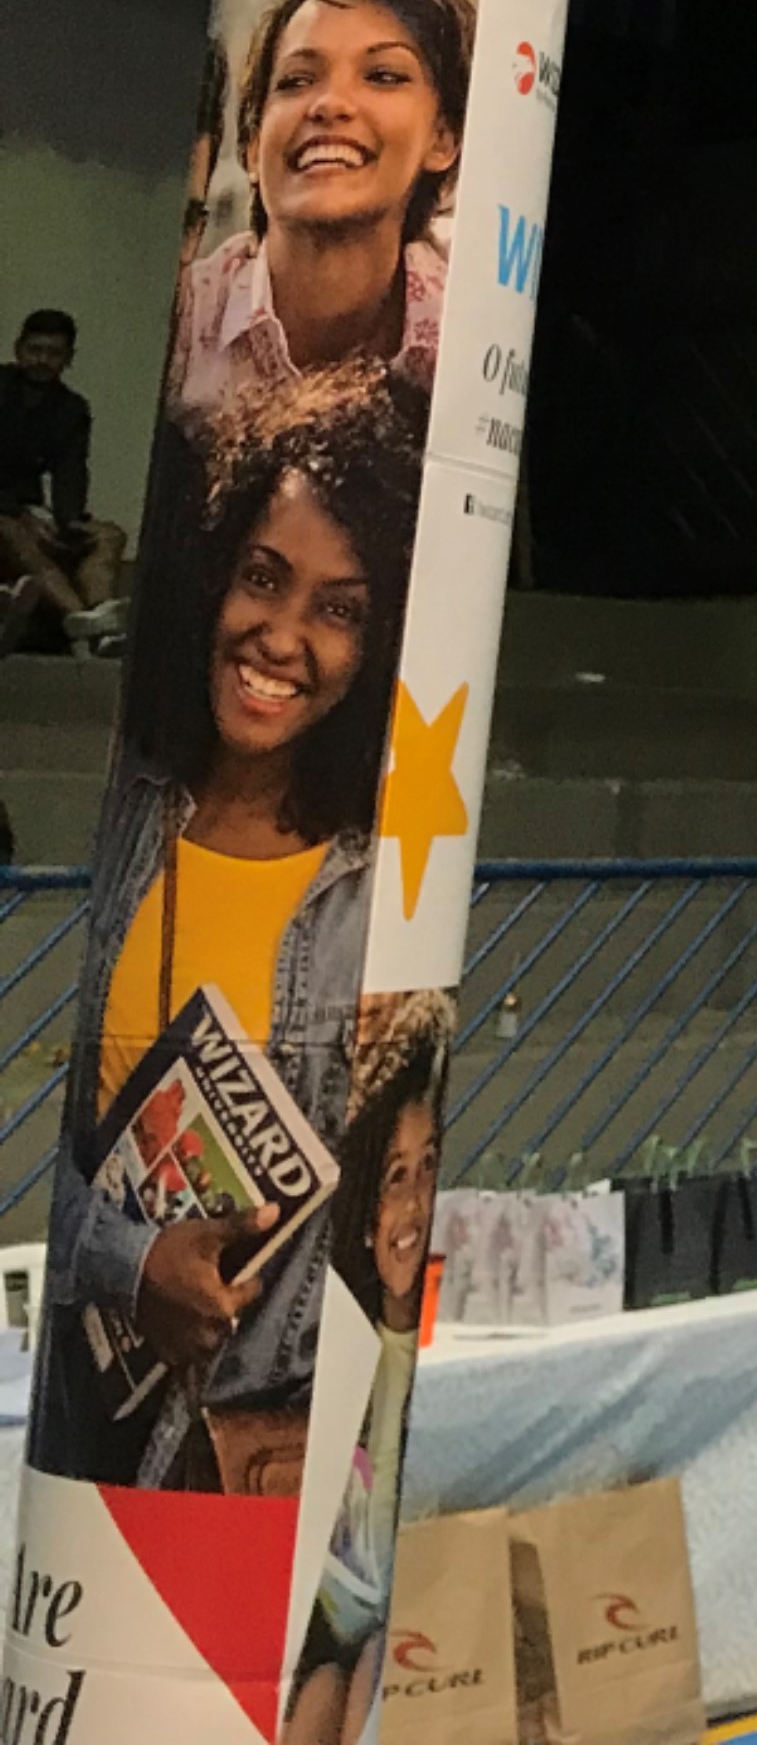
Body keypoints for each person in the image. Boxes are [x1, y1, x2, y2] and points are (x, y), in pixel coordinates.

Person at [38, 358, 422, 1496]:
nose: (282, 638)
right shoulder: (135, 816)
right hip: (88, 1459)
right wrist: (133, 1259)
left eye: (339, 608)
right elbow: (67, 1172)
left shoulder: (379, 887)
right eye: (263, 577)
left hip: (257, 1488)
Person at [173, 0, 472, 420]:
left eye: (383, 76)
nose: (330, 104)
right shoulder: (182, 325)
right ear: (252, 146)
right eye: (296, 81)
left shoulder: (473, 325)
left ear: (444, 138)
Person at [283, 995, 454, 1745]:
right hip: (326, 1616)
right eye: (394, 1177)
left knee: (371, 1683)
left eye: (427, 1168)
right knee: (325, 1693)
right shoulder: (323, 1334)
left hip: (397, 1608)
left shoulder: (429, 1334)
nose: (415, 1202)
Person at [0, 308, 124, 649]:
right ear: (18, 349)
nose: (42, 360)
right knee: (13, 532)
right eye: (35, 350)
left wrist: (68, 521)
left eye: (53, 353)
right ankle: (81, 618)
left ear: (68, 359)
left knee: (108, 535)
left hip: (29, 509)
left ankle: (101, 614)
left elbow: (71, 470)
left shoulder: (71, 408)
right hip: (9, 513)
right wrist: (19, 512)